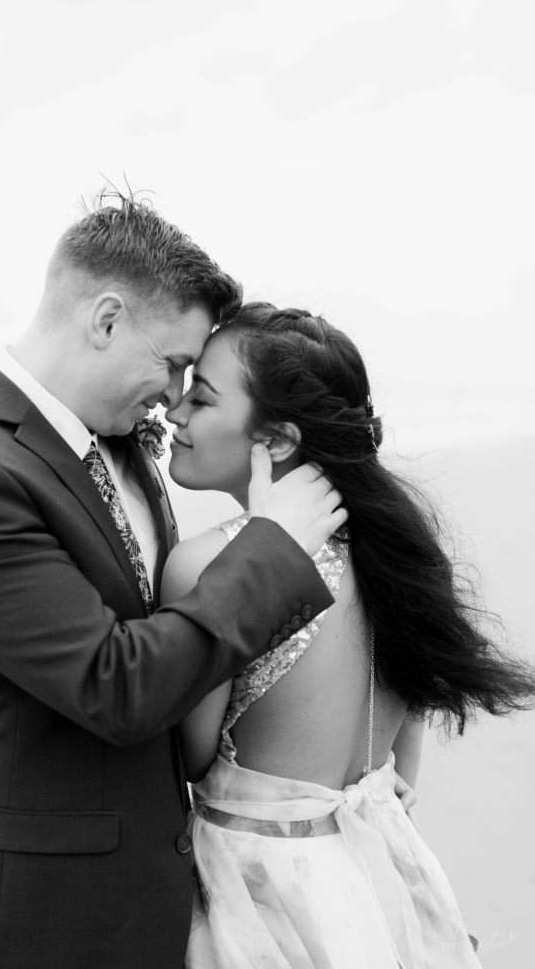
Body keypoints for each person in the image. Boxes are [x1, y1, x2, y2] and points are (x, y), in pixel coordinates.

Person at [0, 202, 348, 969]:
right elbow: (112, 683)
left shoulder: (119, 440)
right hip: (30, 909)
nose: (172, 395)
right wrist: (273, 549)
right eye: (170, 364)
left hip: (147, 893)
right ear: (105, 321)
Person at [162, 302, 535, 969]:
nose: (174, 413)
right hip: (382, 876)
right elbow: (408, 733)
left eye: (202, 398)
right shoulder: (399, 556)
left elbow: (189, 757)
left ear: (274, 439)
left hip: (260, 893)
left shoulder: (208, 566)